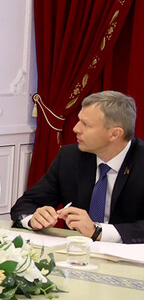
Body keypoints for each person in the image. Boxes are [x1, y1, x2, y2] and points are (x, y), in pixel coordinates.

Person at [11, 90, 144, 243]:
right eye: (79, 120)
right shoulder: (70, 157)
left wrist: (98, 231)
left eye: (86, 125)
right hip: (76, 252)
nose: (76, 128)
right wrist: (33, 218)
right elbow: (25, 204)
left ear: (115, 134)